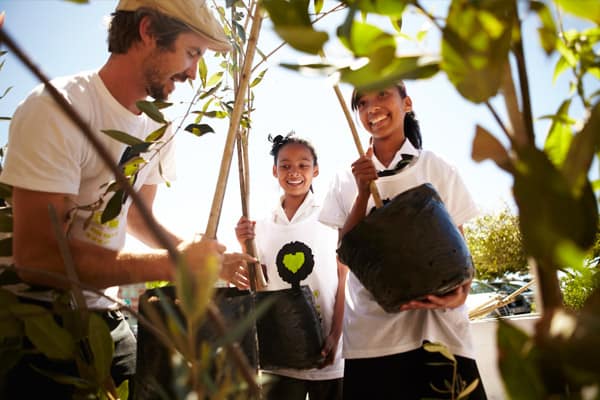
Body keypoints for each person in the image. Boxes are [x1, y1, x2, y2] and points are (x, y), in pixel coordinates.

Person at [0, 1, 254, 397]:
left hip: (105, 312)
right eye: (191, 53)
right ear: (148, 31)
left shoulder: (158, 125)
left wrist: (202, 260)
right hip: (39, 325)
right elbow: (38, 258)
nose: (193, 72)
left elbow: (137, 216)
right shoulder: (57, 109)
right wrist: (173, 265)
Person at [318, 82, 487, 399]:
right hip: (373, 342)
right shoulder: (344, 179)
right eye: (363, 102)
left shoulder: (437, 167)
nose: (373, 107)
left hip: (441, 334)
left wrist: (458, 296)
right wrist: (361, 193)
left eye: (383, 95)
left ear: (406, 103)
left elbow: (462, 256)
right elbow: (345, 254)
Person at [235, 133, 346, 400]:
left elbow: (344, 278)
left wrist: (335, 334)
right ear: (275, 171)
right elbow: (258, 282)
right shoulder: (261, 225)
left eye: (303, 165)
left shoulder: (331, 217)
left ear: (315, 170)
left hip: (327, 348)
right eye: (285, 165)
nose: (294, 172)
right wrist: (243, 245)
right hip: (280, 351)